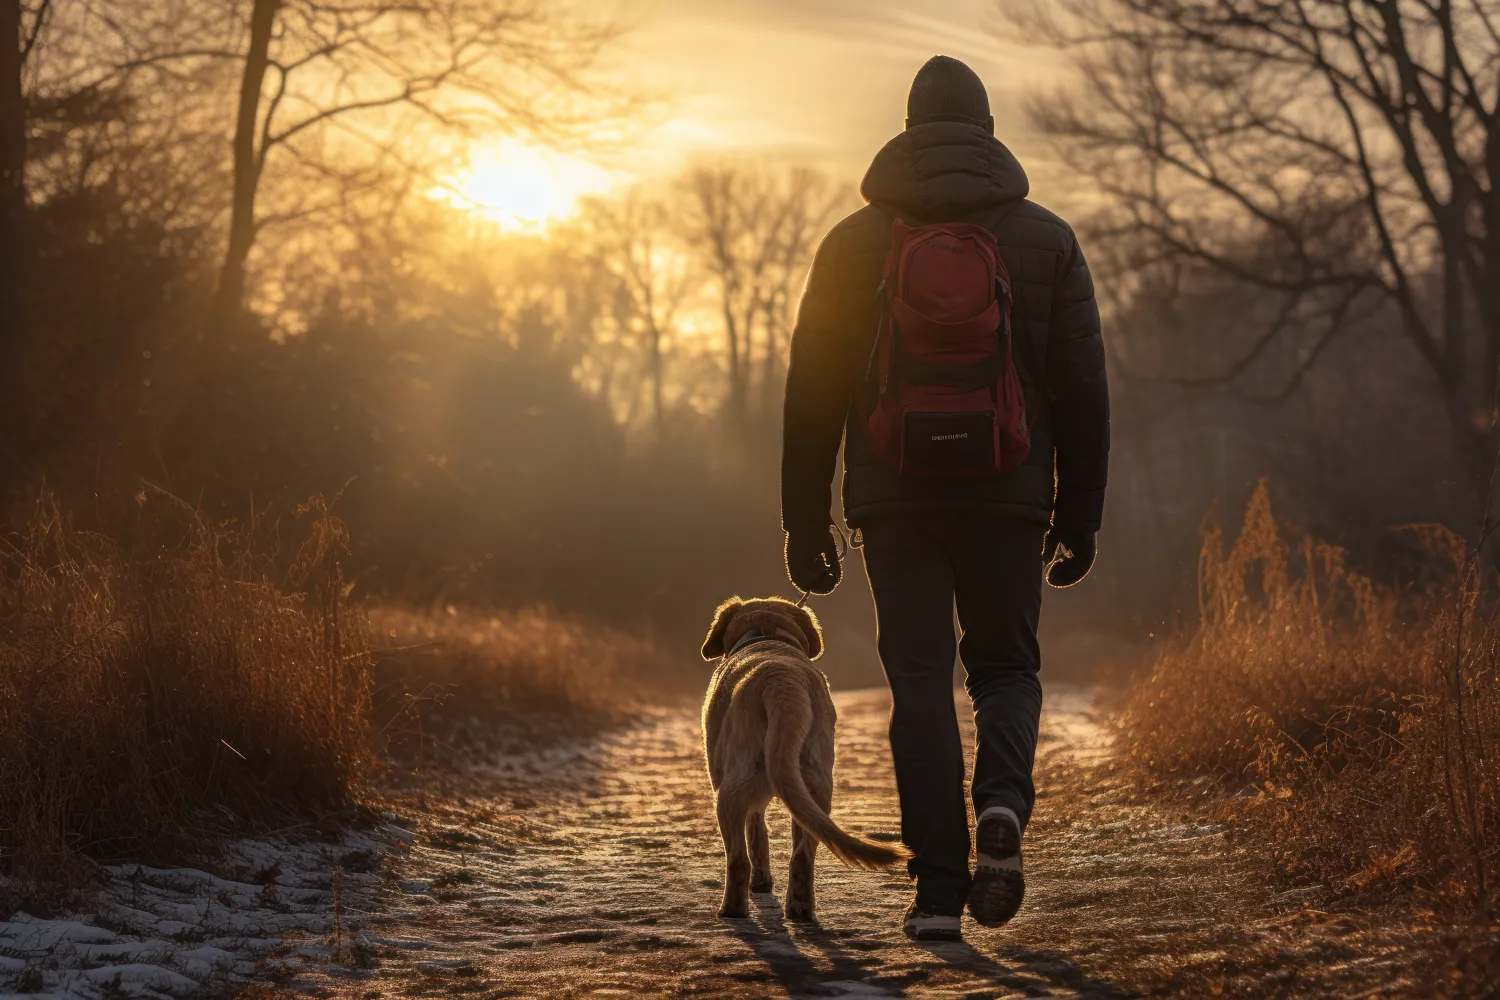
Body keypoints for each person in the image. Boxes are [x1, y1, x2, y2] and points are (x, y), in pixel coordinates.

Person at [780, 55, 1110, 942]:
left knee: (918, 683)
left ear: (908, 130)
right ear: (989, 131)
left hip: (895, 497)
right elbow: (1083, 387)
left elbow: (811, 387)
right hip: (1008, 493)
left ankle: (936, 890)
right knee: (1005, 667)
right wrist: (1079, 514)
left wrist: (804, 517)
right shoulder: (1045, 238)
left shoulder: (854, 244)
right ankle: (1001, 807)